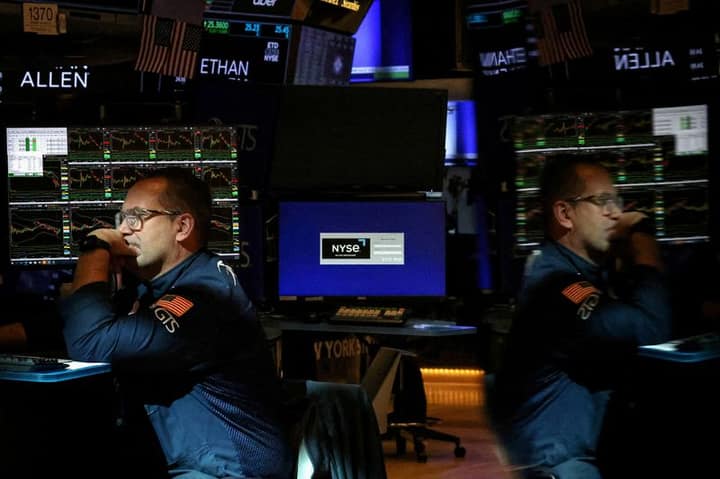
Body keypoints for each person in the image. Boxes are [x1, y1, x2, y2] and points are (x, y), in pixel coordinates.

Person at [60, 167, 293, 479]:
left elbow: (89, 342)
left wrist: (95, 247)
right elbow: (64, 323)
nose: (122, 231)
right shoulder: (160, 283)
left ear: (182, 226)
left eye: (137, 217)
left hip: (227, 472)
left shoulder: (206, 296)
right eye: (121, 219)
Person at [490, 156, 672, 478]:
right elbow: (651, 330)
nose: (615, 213)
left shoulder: (573, 270)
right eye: (602, 201)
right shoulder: (557, 286)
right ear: (565, 214)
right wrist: (643, 241)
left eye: (616, 201)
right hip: (557, 465)